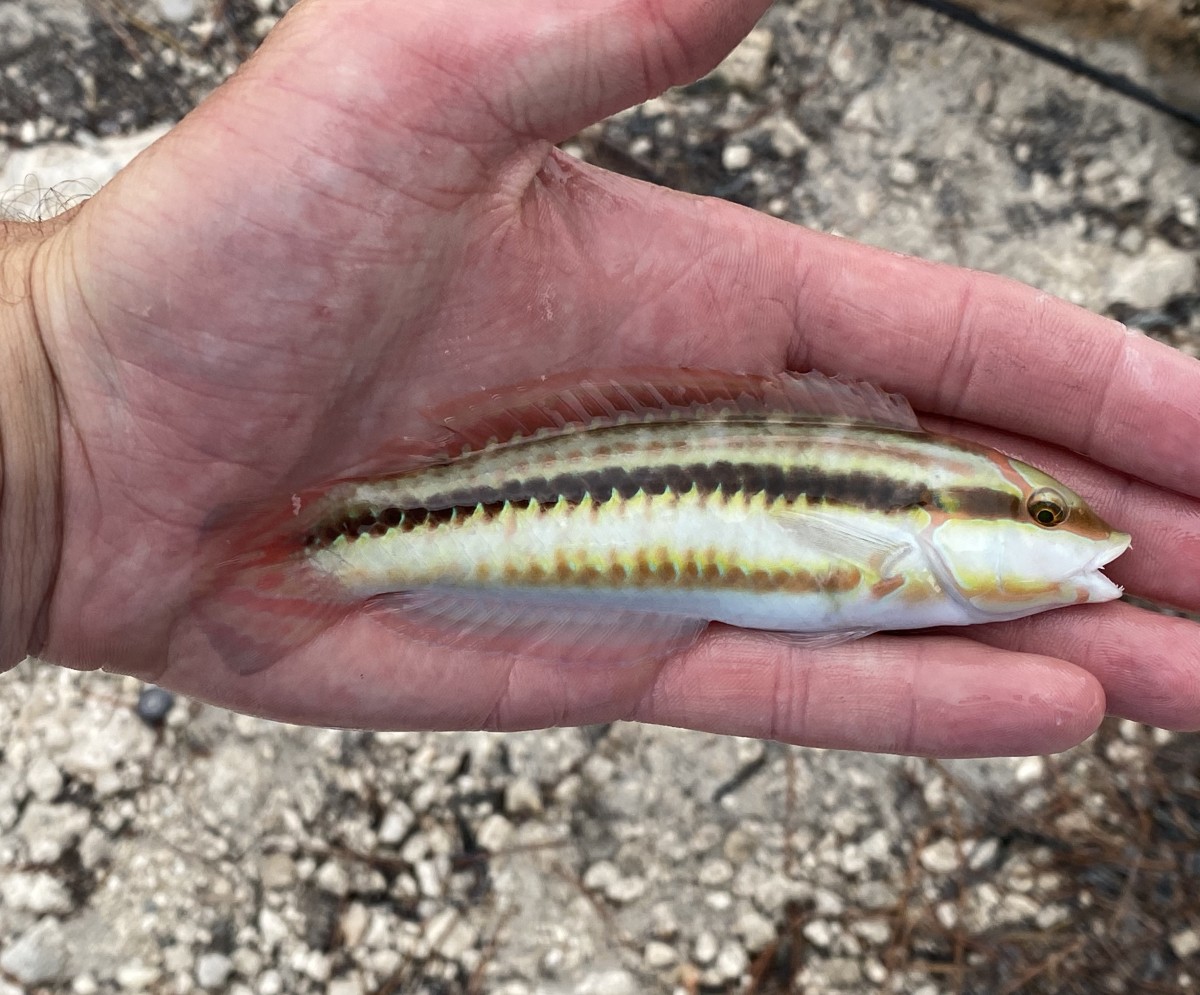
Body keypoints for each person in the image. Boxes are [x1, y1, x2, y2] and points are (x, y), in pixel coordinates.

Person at [1, 0, 1197, 757]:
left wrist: (58, 430)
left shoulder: (915, 554)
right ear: (955, 513)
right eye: (1042, 513)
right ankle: (323, 550)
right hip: (556, 501)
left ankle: (311, 551)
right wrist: (51, 402)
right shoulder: (900, 531)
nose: (1074, 539)